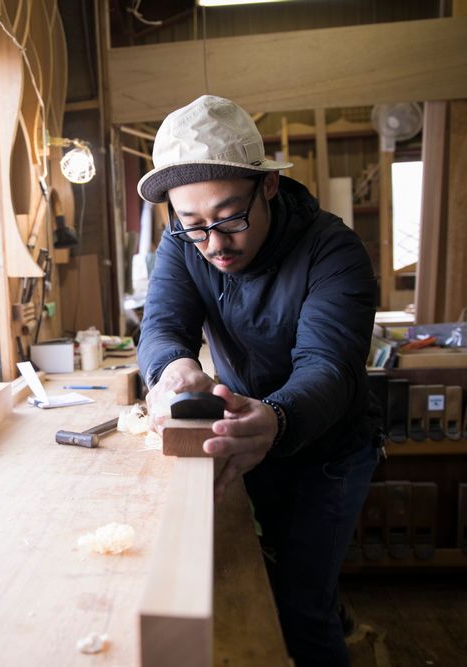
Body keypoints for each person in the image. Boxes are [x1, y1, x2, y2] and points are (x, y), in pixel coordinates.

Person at [136, 95, 382, 667]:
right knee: (274, 573)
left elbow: (328, 367)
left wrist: (276, 417)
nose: (215, 244)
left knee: (302, 606)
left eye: (229, 217)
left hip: (330, 445)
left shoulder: (334, 250)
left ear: (268, 185)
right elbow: (164, 328)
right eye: (194, 225)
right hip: (253, 432)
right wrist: (172, 372)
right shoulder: (182, 246)